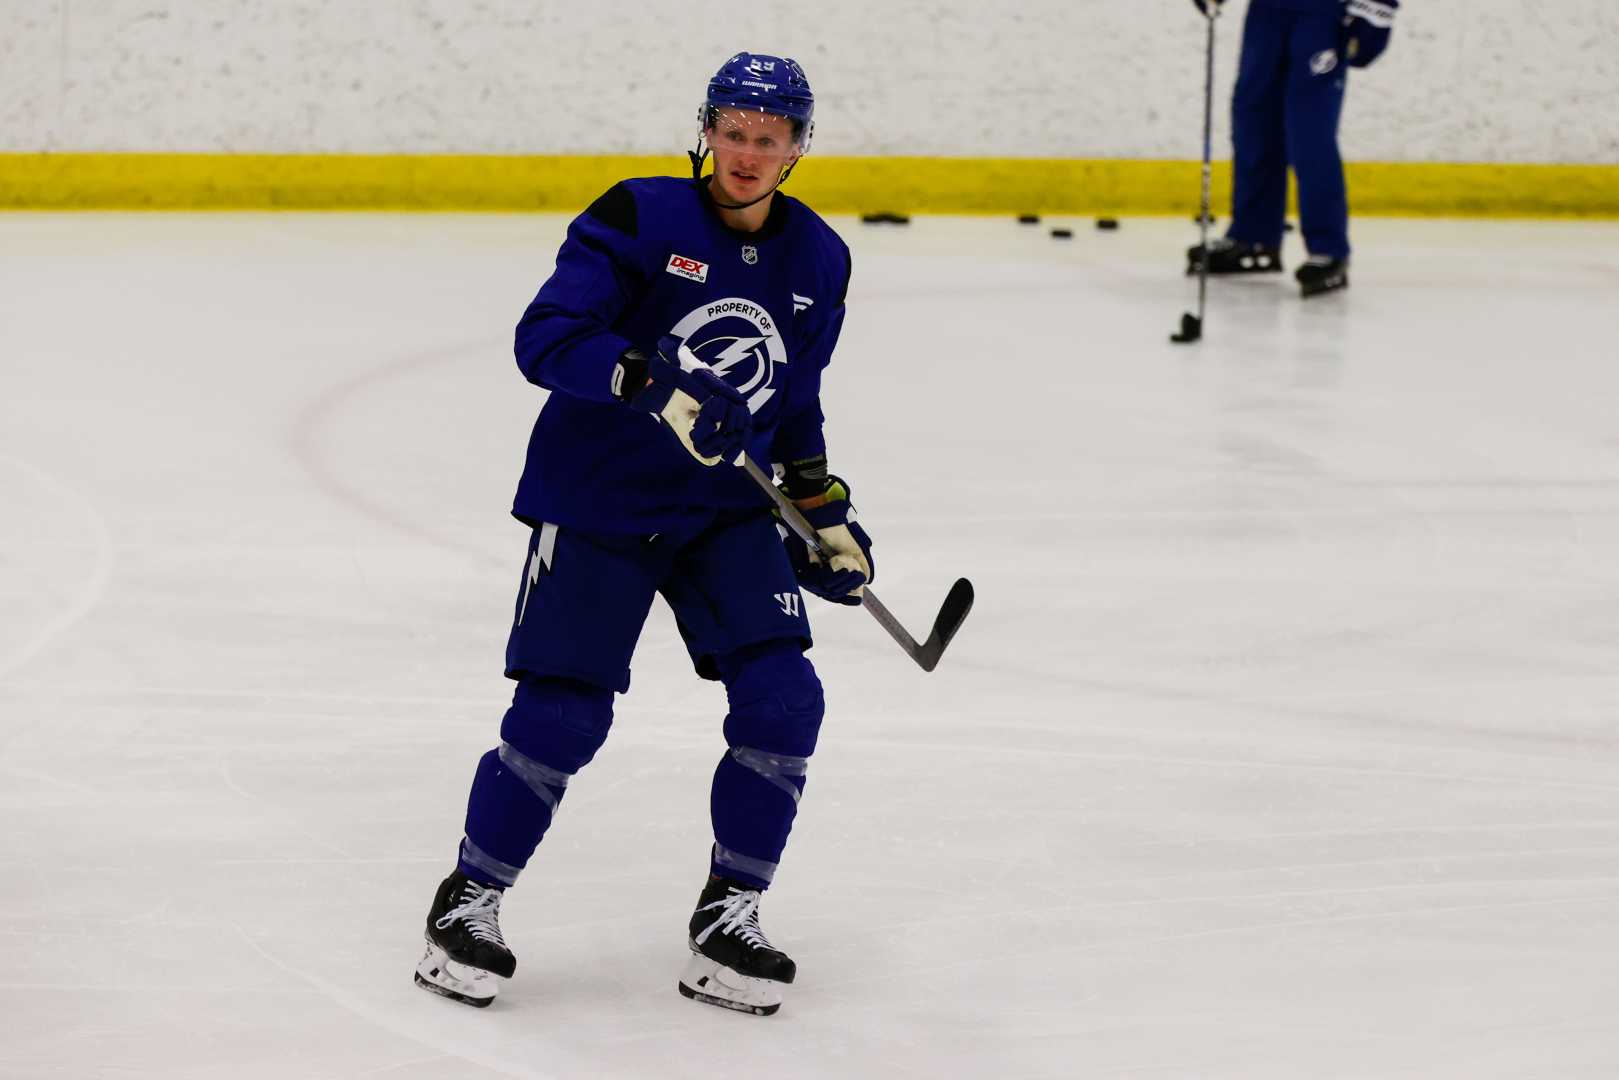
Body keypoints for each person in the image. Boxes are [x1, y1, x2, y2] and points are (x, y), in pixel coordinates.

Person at [412, 51, 870, 1018]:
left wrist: (821, 512)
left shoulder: (819, 258)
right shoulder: (637, 214)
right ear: (706, 130)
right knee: (562, 715)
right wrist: (650, 384)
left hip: (723, 514)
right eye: (733, 133)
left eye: (769, 138)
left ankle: (729, 917)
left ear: (798, 149)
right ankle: (469, 901)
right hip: (600, 499)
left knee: (785, 702)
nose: (747, 155)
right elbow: (545, 337)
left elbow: (795, 402)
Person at [1186, 0, 1400, 296]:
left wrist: (1377, 9)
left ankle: (1328, 248)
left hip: (1323, 14)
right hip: (1267, 11)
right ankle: (1254, 236)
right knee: (1253, 121)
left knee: (1309, 133)